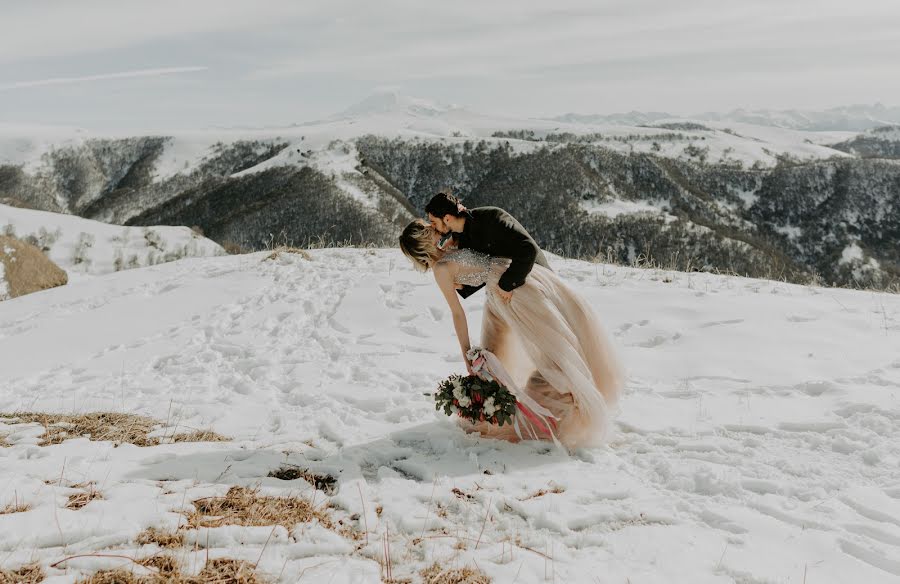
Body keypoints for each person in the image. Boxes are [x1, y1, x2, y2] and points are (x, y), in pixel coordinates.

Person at [399, 211, 623, 449]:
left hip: (511, 289)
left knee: (551, 350)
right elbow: (457, 313)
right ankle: (518, 411)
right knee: (501, 355)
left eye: (431, 223)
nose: (434, 227)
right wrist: (466, 353)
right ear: (424, 241)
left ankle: (567, 406)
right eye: (428, 228)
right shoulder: (441, 270)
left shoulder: (450, 250)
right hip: (504, 296)